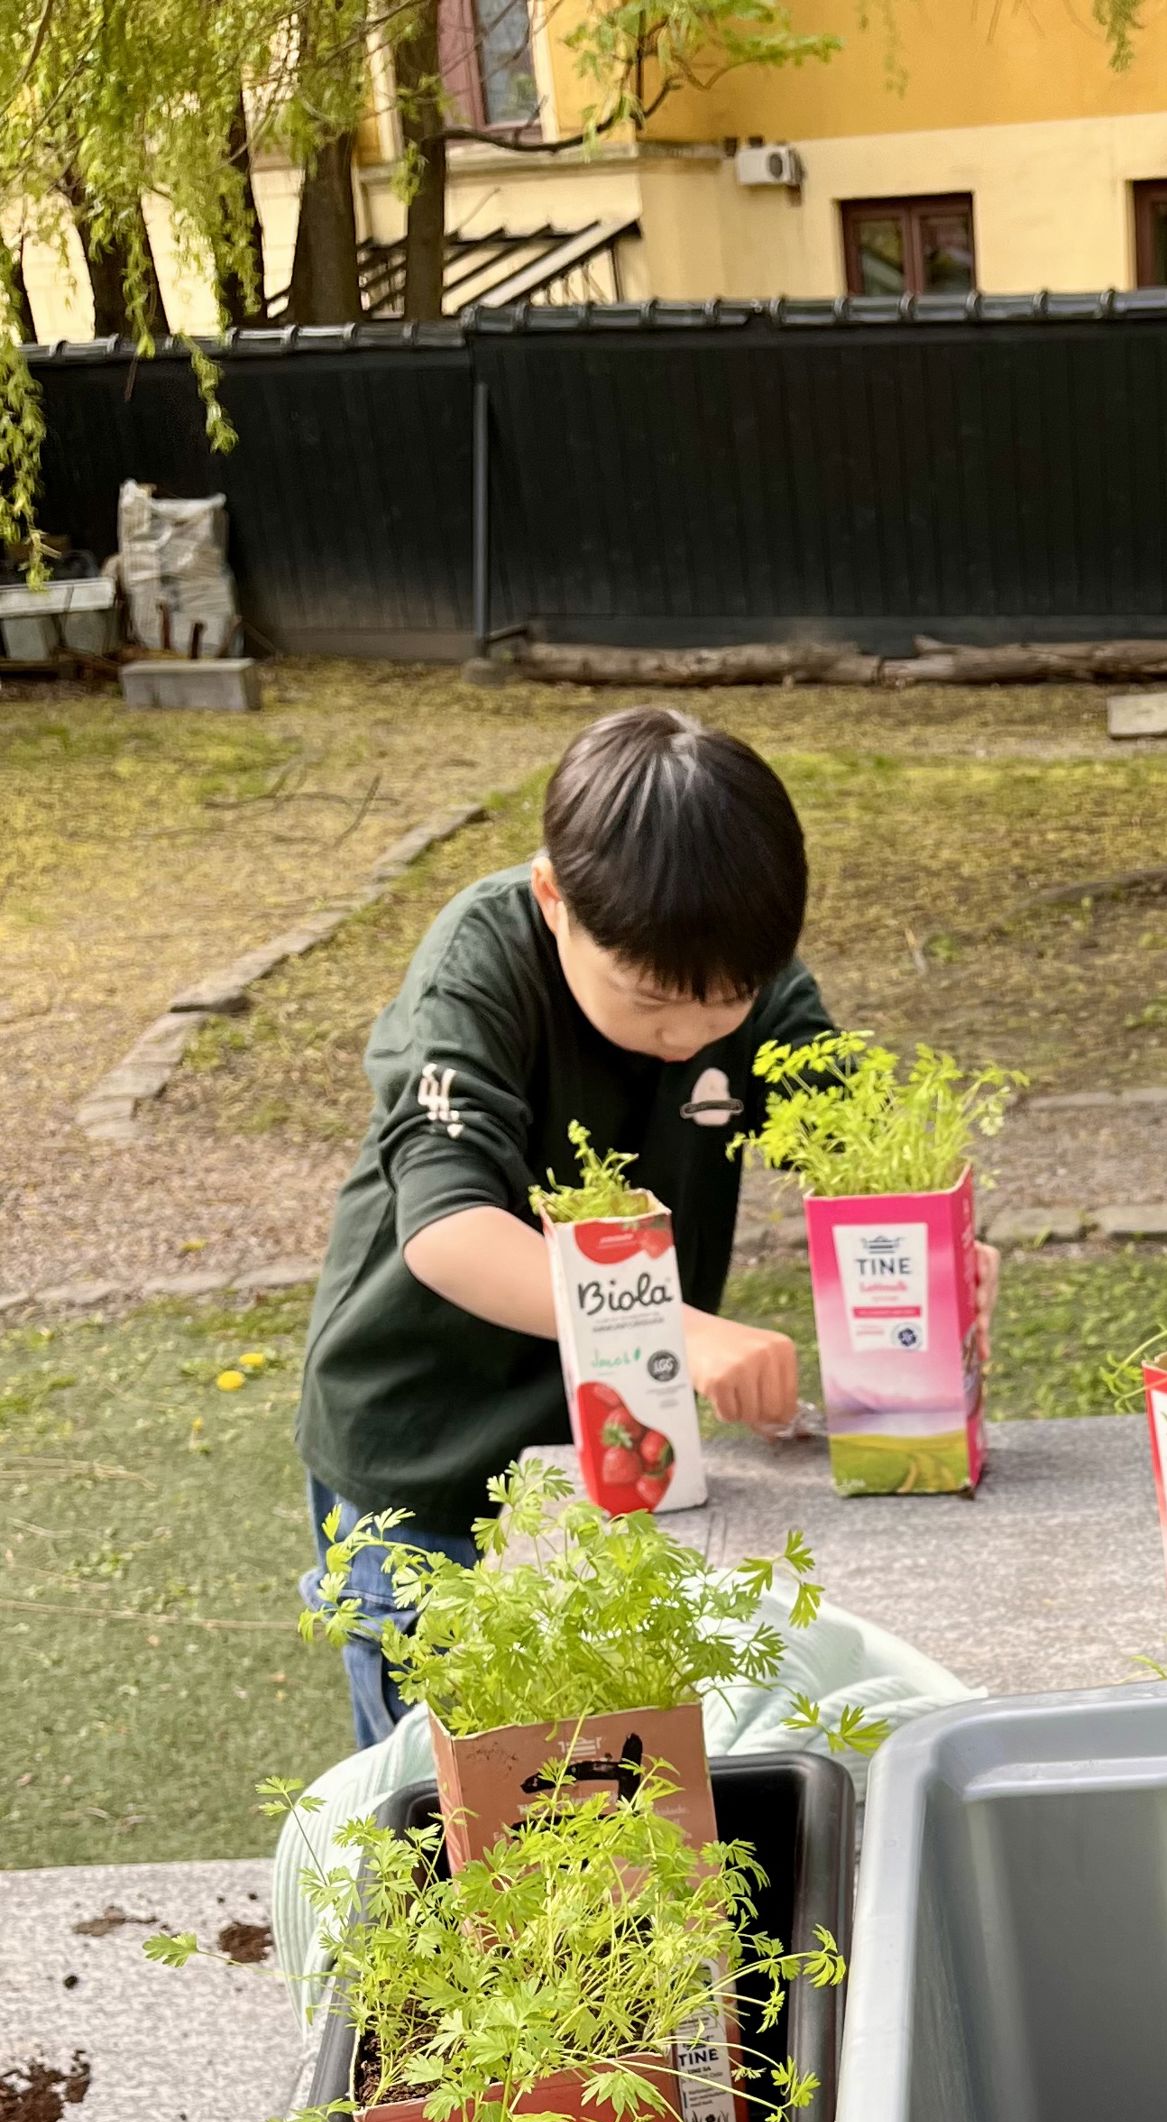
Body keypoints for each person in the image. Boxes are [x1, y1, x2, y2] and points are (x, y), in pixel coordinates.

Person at [297, 707, 999, 1746]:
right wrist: (678, 1330)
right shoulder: (479, 969)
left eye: (727, 1002)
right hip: (432, 1457)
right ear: (554, 900)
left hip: (624, 1456)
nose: (689, 1033)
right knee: (471, 1786)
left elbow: (865, 1158)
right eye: (651, 999)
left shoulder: (738, 977)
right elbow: (449, 1232)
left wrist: (942, 1250)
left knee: (618, 1768)